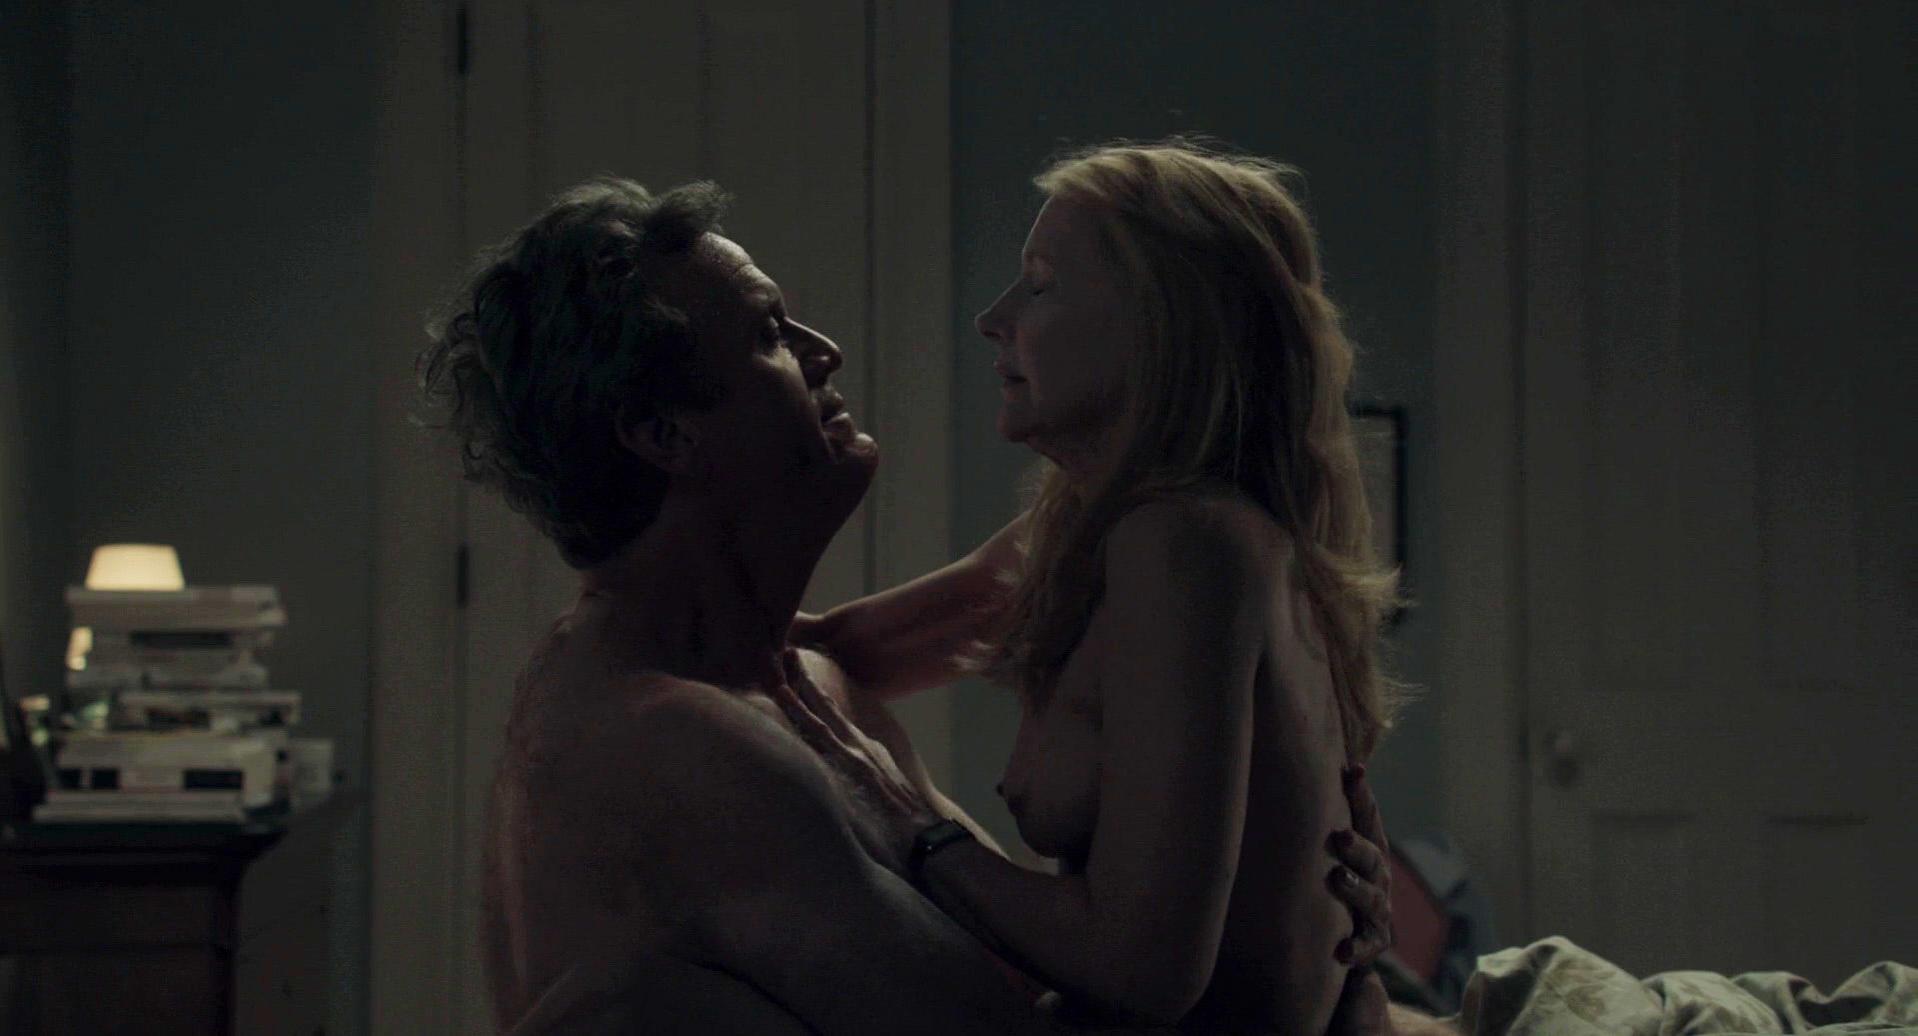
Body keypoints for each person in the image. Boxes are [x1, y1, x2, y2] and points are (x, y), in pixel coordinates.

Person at [418, 176, 1398, 1034]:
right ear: (664, 434)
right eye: (769, 335)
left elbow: (1024, 963)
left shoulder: (787, 679)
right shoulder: (680, 746)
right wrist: (1337, 1001)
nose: (826, 351)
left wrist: (1313, 920)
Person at [781, 141, 1400, 1034]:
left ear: (1166, 327)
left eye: (1039, 286)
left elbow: (1143, 971)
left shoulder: (1186, 542)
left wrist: (904, 822)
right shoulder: (1089, 526)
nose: (993, 318)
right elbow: (847, 650)